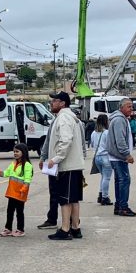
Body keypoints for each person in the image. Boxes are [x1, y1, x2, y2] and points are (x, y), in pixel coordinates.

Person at [45, 91, 86, 240]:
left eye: (54, 101)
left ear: (62, 103)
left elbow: (66, 140)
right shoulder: (72, 117)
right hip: (74, 165)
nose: (51, 103)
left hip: (67, 165)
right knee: (73, 199)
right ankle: (75, 228)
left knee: (65, 199)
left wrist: (56, 158)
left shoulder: (63, 118)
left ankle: (65, 229)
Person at [0, 143, 33, 237]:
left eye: (17, 151)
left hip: (20, 193)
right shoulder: (13, 164)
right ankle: (8, 229)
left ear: (23, 152)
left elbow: (27, 179)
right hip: (12, 192)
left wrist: (24, 188)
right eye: (14, 152)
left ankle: (20, 230)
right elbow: (5, 173)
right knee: (10, 211)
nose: (15, 153)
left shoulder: (27, 165)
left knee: (19, 212)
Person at [106, 98, 136, 217]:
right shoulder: (119, 120)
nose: (131, 109)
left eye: (132, 106)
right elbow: (120, 140)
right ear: (121, 107)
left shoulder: (121, 118)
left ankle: (118, 206)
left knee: (119, 181)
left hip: (116, 156)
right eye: (129, 106)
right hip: (119, 157)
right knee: (124, 180)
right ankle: (123, 207)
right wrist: (127, 154)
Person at [36, 120, 58, 230]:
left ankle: (72, 220)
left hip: (67, 164)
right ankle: (52, 219)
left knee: (69, 195)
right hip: (53, 163)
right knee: (53, 193)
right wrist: (43, 157)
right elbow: (48, 141)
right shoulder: (54, 122)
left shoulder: (75, 121)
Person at [90, 114, 113, 206]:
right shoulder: (107, 132)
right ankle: (105, 197)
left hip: (97, 157)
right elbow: (110, 145)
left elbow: (92, 144)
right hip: (105, 157)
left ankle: (101, 194)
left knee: (103, 177)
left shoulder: (93, 133)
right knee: (106, 178)